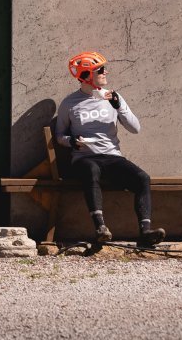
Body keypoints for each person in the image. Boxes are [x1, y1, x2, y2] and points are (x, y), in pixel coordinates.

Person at [55, 51, 166, 247]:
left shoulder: (114, 98)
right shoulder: (69, 103)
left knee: (142, 178)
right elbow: (59, 136)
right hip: (84, 157)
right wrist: (72, 142)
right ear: (87, 75)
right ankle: (100, 228)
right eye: (100, 70)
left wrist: (118, 107)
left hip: (112, 157)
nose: (106, 72)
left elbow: (135, 128)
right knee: (92, 169)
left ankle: (146, 231)